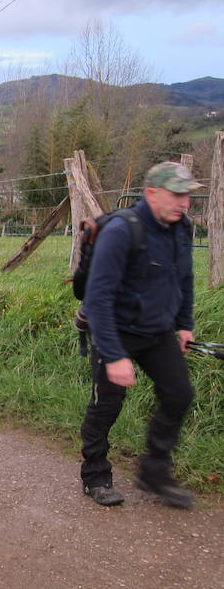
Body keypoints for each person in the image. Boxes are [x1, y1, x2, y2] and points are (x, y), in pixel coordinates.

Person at [79, 162, 202, 509]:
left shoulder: (182, 228)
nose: (184, 203)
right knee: (107, 404)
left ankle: (154, 471)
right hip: (114, 329)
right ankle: (96, 476)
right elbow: (98, 298)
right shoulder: (123, 230)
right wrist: (115, 355)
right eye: (177, 195)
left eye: (187, 197)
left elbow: (185, 279)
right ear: (151, 193)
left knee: (179, 394)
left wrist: (184, 323)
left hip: (158, 329)